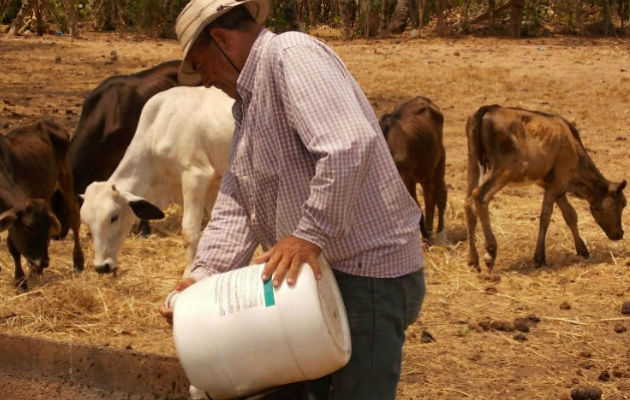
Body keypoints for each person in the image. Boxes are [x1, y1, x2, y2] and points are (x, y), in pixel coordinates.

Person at [160, 0, 426, 398]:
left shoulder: (291, 54)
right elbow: (237, 196)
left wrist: (308, 235)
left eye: (202, 66)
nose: (207, 80)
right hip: (316, 280)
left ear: (221, 40)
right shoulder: (248, 106)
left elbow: (347, 146)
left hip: (366, 274)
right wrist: (202, 276)